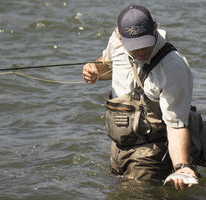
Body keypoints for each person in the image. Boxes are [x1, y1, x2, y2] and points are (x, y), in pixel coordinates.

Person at [82, 5, 196, 190]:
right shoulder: (116, 42)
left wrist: (181, 167)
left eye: (146, 43)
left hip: (150, 153)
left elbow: (176, 126)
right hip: (118, 148)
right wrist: (93, 71)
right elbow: (108, 65)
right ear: (120, 38)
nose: (142, 50)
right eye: (135, 46)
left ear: (155, 28)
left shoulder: (174, 68)